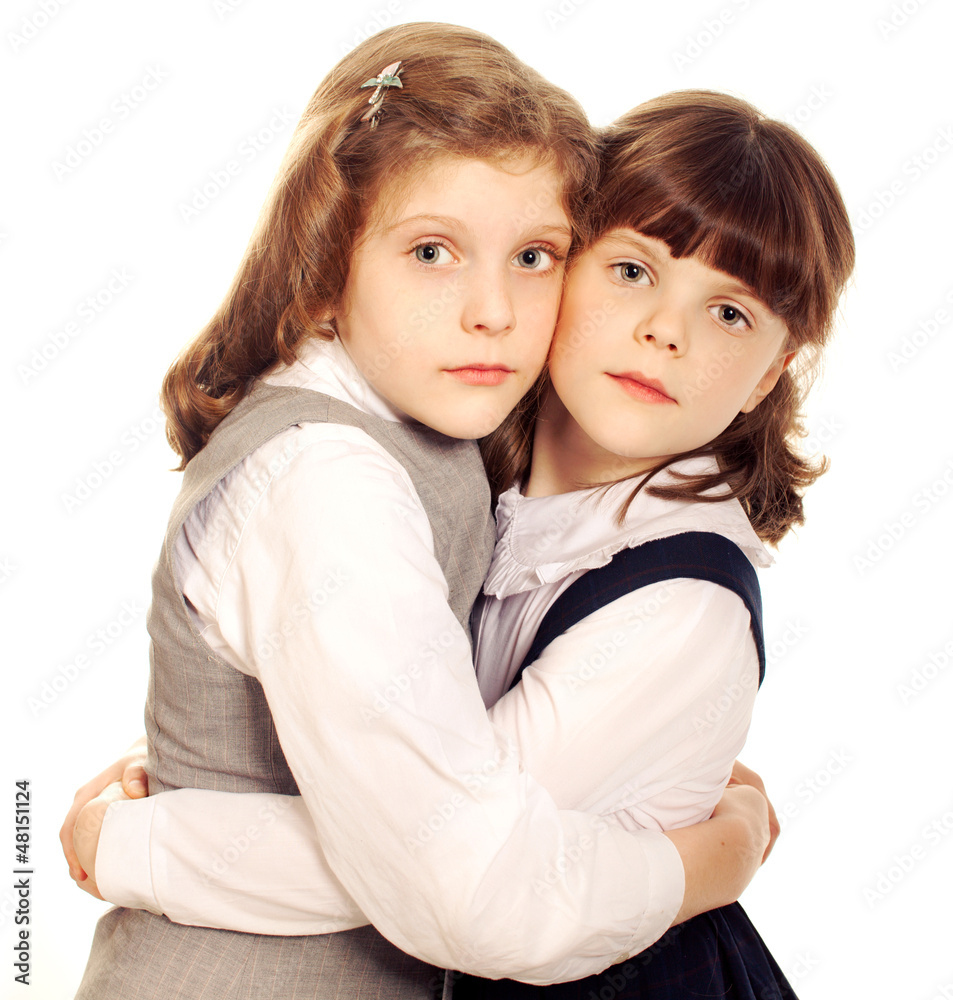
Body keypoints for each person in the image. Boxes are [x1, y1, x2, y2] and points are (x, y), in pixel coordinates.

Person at [63, 25, 771, 1000]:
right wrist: (707, 861)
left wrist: (157, 831)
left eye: (531, 254)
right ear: (327, 255)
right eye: (431, 250)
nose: (489, 308)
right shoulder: (331, 482)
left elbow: (411, 778)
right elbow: (460, 869)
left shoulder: (443, 446)